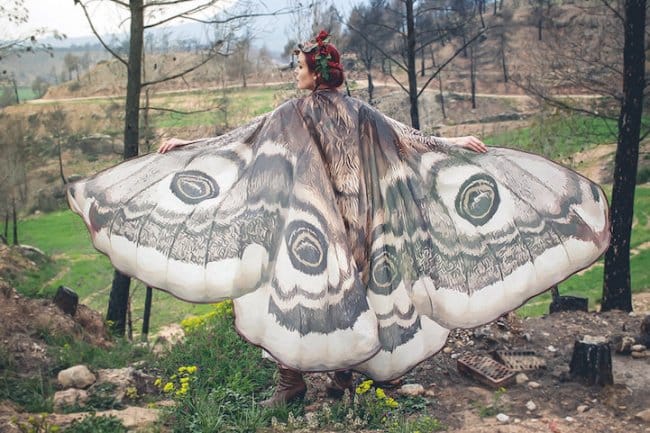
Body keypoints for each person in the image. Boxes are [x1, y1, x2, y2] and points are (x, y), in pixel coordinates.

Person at [67, 31, 610, 407]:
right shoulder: (311, 112)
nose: (293, 73)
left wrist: (454, 145)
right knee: (300, 290)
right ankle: (300, 379)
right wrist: (192, 144)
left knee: (336, 291)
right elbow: (243, 138)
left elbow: (405, 139)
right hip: (327, 218)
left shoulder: (340, 112)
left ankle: (334, 376)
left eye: (298, 66)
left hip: (355, 218)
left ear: (316, 72)